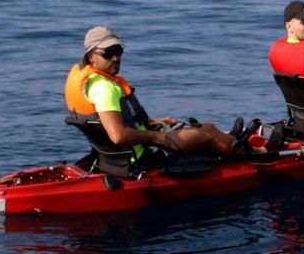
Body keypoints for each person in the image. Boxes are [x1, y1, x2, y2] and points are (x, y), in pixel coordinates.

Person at [65, 26, 248, 158]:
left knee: (207, 127)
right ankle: (256, 155)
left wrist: (156, 122)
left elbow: (108, 121)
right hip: (142, 154)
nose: (116, 58)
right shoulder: (105, 89)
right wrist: (156, 136)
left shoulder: (88, 82)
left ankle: (234, 141)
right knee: (204, 135)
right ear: (91, 56)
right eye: (108, 53)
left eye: (119, 51)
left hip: (117, 155)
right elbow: (118, 135)